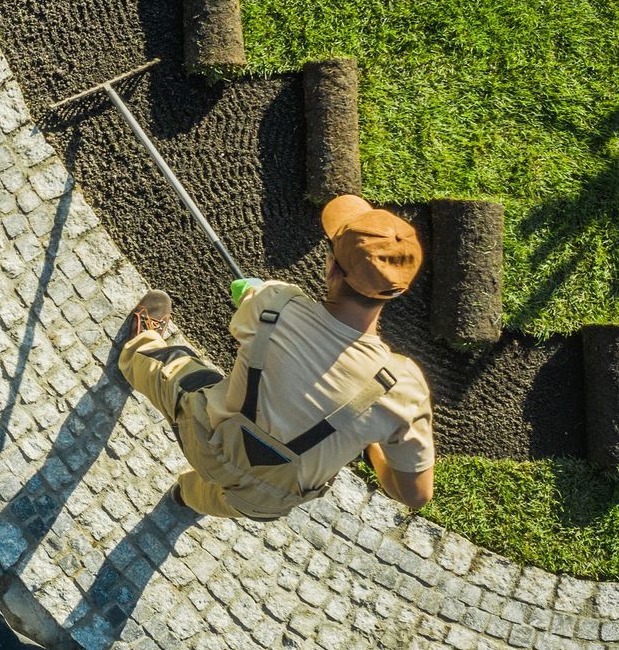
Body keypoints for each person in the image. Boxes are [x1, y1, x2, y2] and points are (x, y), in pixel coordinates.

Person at [117, 195, 435, 521]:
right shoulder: (402, 390)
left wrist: (253, 293)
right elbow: (416, 495)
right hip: (266, 499)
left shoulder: (276, 302)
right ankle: (185, 496)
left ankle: (136, 347)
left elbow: (246, 317)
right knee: (222, 499)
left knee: (171, 364)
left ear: (331, 269)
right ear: (398, 290)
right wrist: (377, 453)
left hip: (205, 437)